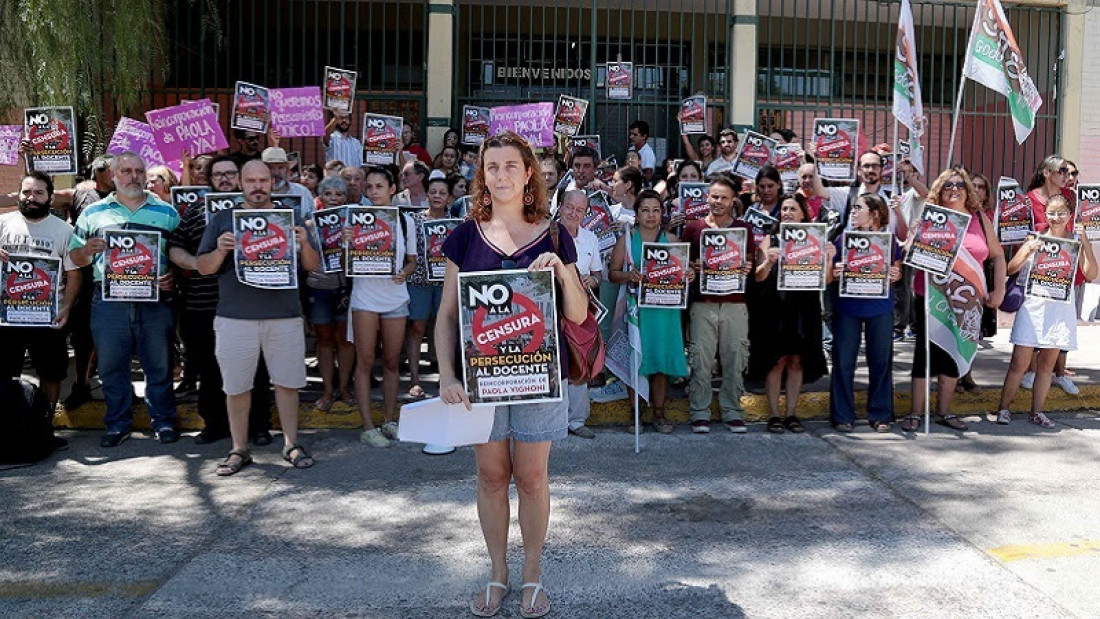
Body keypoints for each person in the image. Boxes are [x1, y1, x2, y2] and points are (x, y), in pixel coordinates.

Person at [436, 131, 587, 619]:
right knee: (491, 474)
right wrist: (444, 374)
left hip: (540, 376)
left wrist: (561, 272)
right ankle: (498, 572)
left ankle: (532, 575)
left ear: (528, 174)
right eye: (491, 166)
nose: (500, 175)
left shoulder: (555, 233)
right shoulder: (464, 234)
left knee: (532, 477)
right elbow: (444, 317)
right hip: (481, 380)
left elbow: (581, 315)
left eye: (509, 166)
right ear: (482, 174)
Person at [196, 160, 320, 474]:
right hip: (235, 317)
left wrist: (304, 243)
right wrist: (221, 251)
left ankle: (291, 443)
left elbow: (312, 266)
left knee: (288, 384)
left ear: (272, 181)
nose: (257, 186)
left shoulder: (292, 217)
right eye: (251, 180)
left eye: (263, 180)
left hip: (284, 316)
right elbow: (203, 267)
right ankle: (239, 449)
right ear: (240, 182)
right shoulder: (223, 219)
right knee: (236, 387)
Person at [68, 152, 180, 447]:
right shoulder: (93, 213)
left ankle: (164, 420)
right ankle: (118, 424)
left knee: (158, 364)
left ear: (146, 175)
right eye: (126, 171)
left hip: (155, 301)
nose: (133, 176)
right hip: (109, 302)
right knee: (111, 367)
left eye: (139, 171)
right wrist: (87, 250)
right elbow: (73, 256)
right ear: (114, 176)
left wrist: (174, 277)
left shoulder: (168, 212)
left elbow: (179, 255)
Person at [904, 168, 1006, 433]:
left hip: (967, 299)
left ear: (967, 190)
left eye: (959, 184)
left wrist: (999, 290)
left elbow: (997, 256)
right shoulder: (931, 216)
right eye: (948, 185)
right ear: (940, 188)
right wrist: (916, 237)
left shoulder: (979, 219)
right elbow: (909, 251)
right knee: (925, 355)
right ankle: (916, 412)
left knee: (953, 352)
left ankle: (944, 411)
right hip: (932, 296)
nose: (954, 189)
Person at [996, 195, 1097, 428]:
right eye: (1052, 212)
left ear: (1070, 215)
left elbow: (1091, 274)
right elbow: (1011, 269)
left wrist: (1086, 244)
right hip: (1033, 307)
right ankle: (1003, 409)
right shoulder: (1035, 237)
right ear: (1046, 213)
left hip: (1060, 310)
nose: (1056, 217)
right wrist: (1026, 251)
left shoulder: (1075, 241)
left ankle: (1037, 412)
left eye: (1061, 213)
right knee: (1019, 363)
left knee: (1046, 367)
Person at [0, 173, 83, 447]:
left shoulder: (64, 231)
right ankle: (8, 430)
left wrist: (67, 307)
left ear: (50, 197)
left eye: (38, 193)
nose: (30, 198)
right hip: (7, 317)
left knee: (51, 374)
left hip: (48, 318)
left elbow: (74, 275)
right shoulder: (2, 224)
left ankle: (44, 430)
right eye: (26, 192)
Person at [682, 175, 769, 433]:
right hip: (703, 303)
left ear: (733, 201)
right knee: (701, 359)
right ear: (707, 197)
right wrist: (692, 267)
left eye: (723, 198)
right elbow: (682, 263)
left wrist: (747, 266)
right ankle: (699, 411)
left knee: (735, 357)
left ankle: (732, 410)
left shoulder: (743, 230)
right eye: (714, 196)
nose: (717, 201)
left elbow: (751, 264)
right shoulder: (693, 228)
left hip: (735, 303)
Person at [608, 189, 690, 433]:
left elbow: (684, 273)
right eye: (645, 210)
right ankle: (636, 414)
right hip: (637, 311)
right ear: (637, 213)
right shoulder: (627, 240)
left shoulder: (673, 241)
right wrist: (628, 275)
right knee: (637, 359)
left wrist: (690, 274)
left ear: (662, 213)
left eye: (656, 210)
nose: (651, 215)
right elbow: (612, 274)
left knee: (660, 360)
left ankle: (659, 413)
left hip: (665, 311)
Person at [749, 194, 830, 433]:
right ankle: (774, 415)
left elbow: (825, 280)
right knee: (776, 362)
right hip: (776, 306)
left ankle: (791, 414)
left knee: (796, 362)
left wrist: (829, 256)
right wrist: (768, 263)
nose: (787, 213)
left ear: (803, 213)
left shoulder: (816, 239)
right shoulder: (770, 239)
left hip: (804, 307)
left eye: (793, 209)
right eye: (784, 209)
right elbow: (758, 277)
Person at [349, 167, 417, 447]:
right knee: (364, 362)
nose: (374, 191)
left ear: (392, 189)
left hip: (395, 298)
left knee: (391, 362)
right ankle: (368, 426)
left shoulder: (404, 221)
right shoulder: (355, 220)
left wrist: (405, 272)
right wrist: (344, 242)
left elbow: (412, 260)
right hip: (364, 298)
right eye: (370, 187)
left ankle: (389, 420)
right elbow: (343, 263)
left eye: (380, 186)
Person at [826, 193, 902, 432]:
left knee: (880, 362)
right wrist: (833, 267)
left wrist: (896, 273)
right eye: (853, 208)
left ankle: (880, 414)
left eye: (859, 208)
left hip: (879, 308)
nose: (853, 212)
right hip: (847, 308)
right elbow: (828, 277)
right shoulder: (843, 239)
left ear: (875, 213)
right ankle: (842, 415)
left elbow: (897, 268)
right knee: (843, 363)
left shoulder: (888, 240)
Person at [1019, 156, 1079, 394]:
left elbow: (1079, 224)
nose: (1067, 175)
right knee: (1036, 320)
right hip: (1037, 267)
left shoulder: (1072, 197)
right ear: (1046, 172)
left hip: (1066, 263)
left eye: (1069, 171)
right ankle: (1032, 371)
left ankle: (1060, 372)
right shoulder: (1029, 199)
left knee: (1062, 321)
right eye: (1062, 170)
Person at [62, 155, 116, 410]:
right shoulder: (82, 195)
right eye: (113, 170)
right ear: (99, 172)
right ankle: (81, 385)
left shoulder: (130, 197)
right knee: (83, 335)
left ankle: (119, 387)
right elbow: (46, 192)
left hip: (121, 278)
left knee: (121, 335)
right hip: (86, 277)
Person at [305, 176, 356, 411]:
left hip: (346, 287)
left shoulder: (355, 224)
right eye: (329, 194)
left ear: (346, 198)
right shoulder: (309, 225)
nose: (334, 198)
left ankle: (344, 388)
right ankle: (327, 390)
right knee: (324, 341)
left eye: (339, 194)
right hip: (319, 288)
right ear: (320, 197)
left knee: (345, 341)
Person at [557, 190, 604, 437]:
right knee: (556, 363)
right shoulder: (547, 235)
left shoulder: (590, 239)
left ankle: (576, 420)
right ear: (560, 206)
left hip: (579, 312)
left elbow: (599, 275)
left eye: (580, 210)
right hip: (553, 311)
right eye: (569, 208)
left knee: (579, 360)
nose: (574, 214)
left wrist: (592, 281)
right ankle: (554, 421)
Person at [405, 175, 452, 400]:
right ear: (427, 194)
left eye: (442, 193)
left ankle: (446, 378)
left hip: (445, 284)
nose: (437, 196)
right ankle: (414, 380)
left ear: (449, 197)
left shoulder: (456, 223)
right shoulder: (414, 220)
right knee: (416, 329)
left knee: (444, 331)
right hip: (420, 282)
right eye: (433, 192)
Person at [262, 147, 314, 220]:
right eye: (271, 168)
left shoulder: (302, 192)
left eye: (280, 167)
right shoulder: (256, 194)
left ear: (286, 170)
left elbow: (313, 222)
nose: (276, 173)